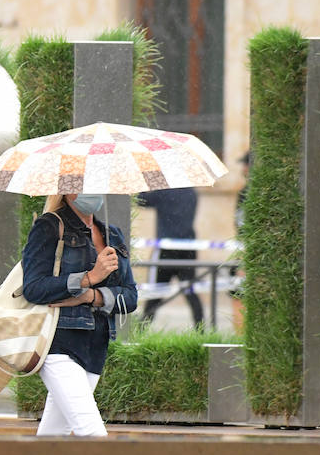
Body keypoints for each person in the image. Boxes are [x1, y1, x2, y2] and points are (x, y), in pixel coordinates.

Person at [21, 193, 138, 437]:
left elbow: (130, 297)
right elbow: (33, 288)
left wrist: (92, 296)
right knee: (93, 433)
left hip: (96, 346)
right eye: (84, 183)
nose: (92, 191)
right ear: (67, 188)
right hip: (59, 344)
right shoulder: (50, 226)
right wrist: (88, 278)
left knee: (52, 437)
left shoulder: (112, 235)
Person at [137, 186, 203, 326]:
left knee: (155, 292)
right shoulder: (191, 192)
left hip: (166, 249)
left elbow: (140, 200)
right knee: (190, 291)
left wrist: (149, 182)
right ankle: (201, 329)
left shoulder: (164, 192)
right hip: (188, 248)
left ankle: (141, 329)